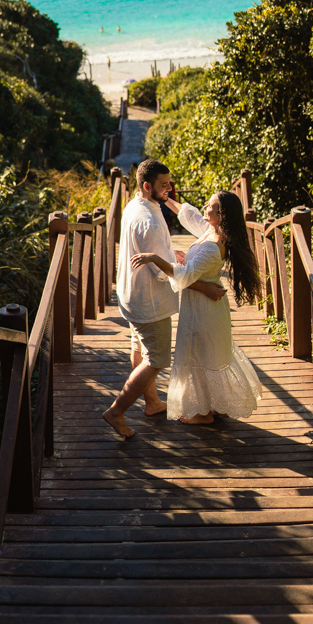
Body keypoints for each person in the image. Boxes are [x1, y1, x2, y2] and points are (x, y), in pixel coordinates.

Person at [103, 159, 227, 439]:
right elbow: (162, 274)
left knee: (141, 349)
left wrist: (173, 257)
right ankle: (116, 411)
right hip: (149, 300)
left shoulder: (136, 205)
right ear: (147, 186)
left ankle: (152, 403)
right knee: (156, 359)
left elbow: (160, 258)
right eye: (163, 185)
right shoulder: (149, 221)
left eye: (170, 182)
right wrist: (203, 288)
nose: (169, 188)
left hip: (131, 294)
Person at [131, 190, 262, 425]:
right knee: (207, 353)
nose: (205, 208)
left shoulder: (214, 246)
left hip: (204, 310)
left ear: (220, 215)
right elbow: (189, 214)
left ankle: (202, 414)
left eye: (210, 206)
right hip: (204, 305)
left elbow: (184, 276)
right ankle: (213, 404)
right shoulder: (210, 232)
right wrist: (166, 199)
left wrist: (155, 258)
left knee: (197, 354)